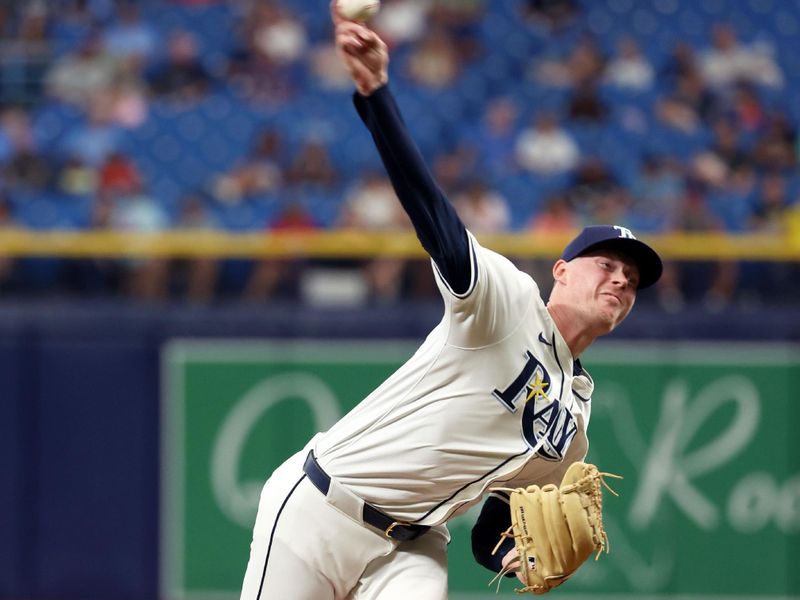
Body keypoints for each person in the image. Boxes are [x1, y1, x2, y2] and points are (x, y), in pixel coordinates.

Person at [238, 6, 663, 600]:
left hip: (415, 545)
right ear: (561, 272)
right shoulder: (506, 302)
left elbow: (490, 525)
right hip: (321, 505)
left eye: (632, 279)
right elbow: (431, 210)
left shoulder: (575, 423)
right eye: (607, 266)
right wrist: (376, 95)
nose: (621, 281)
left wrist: (513, 552)